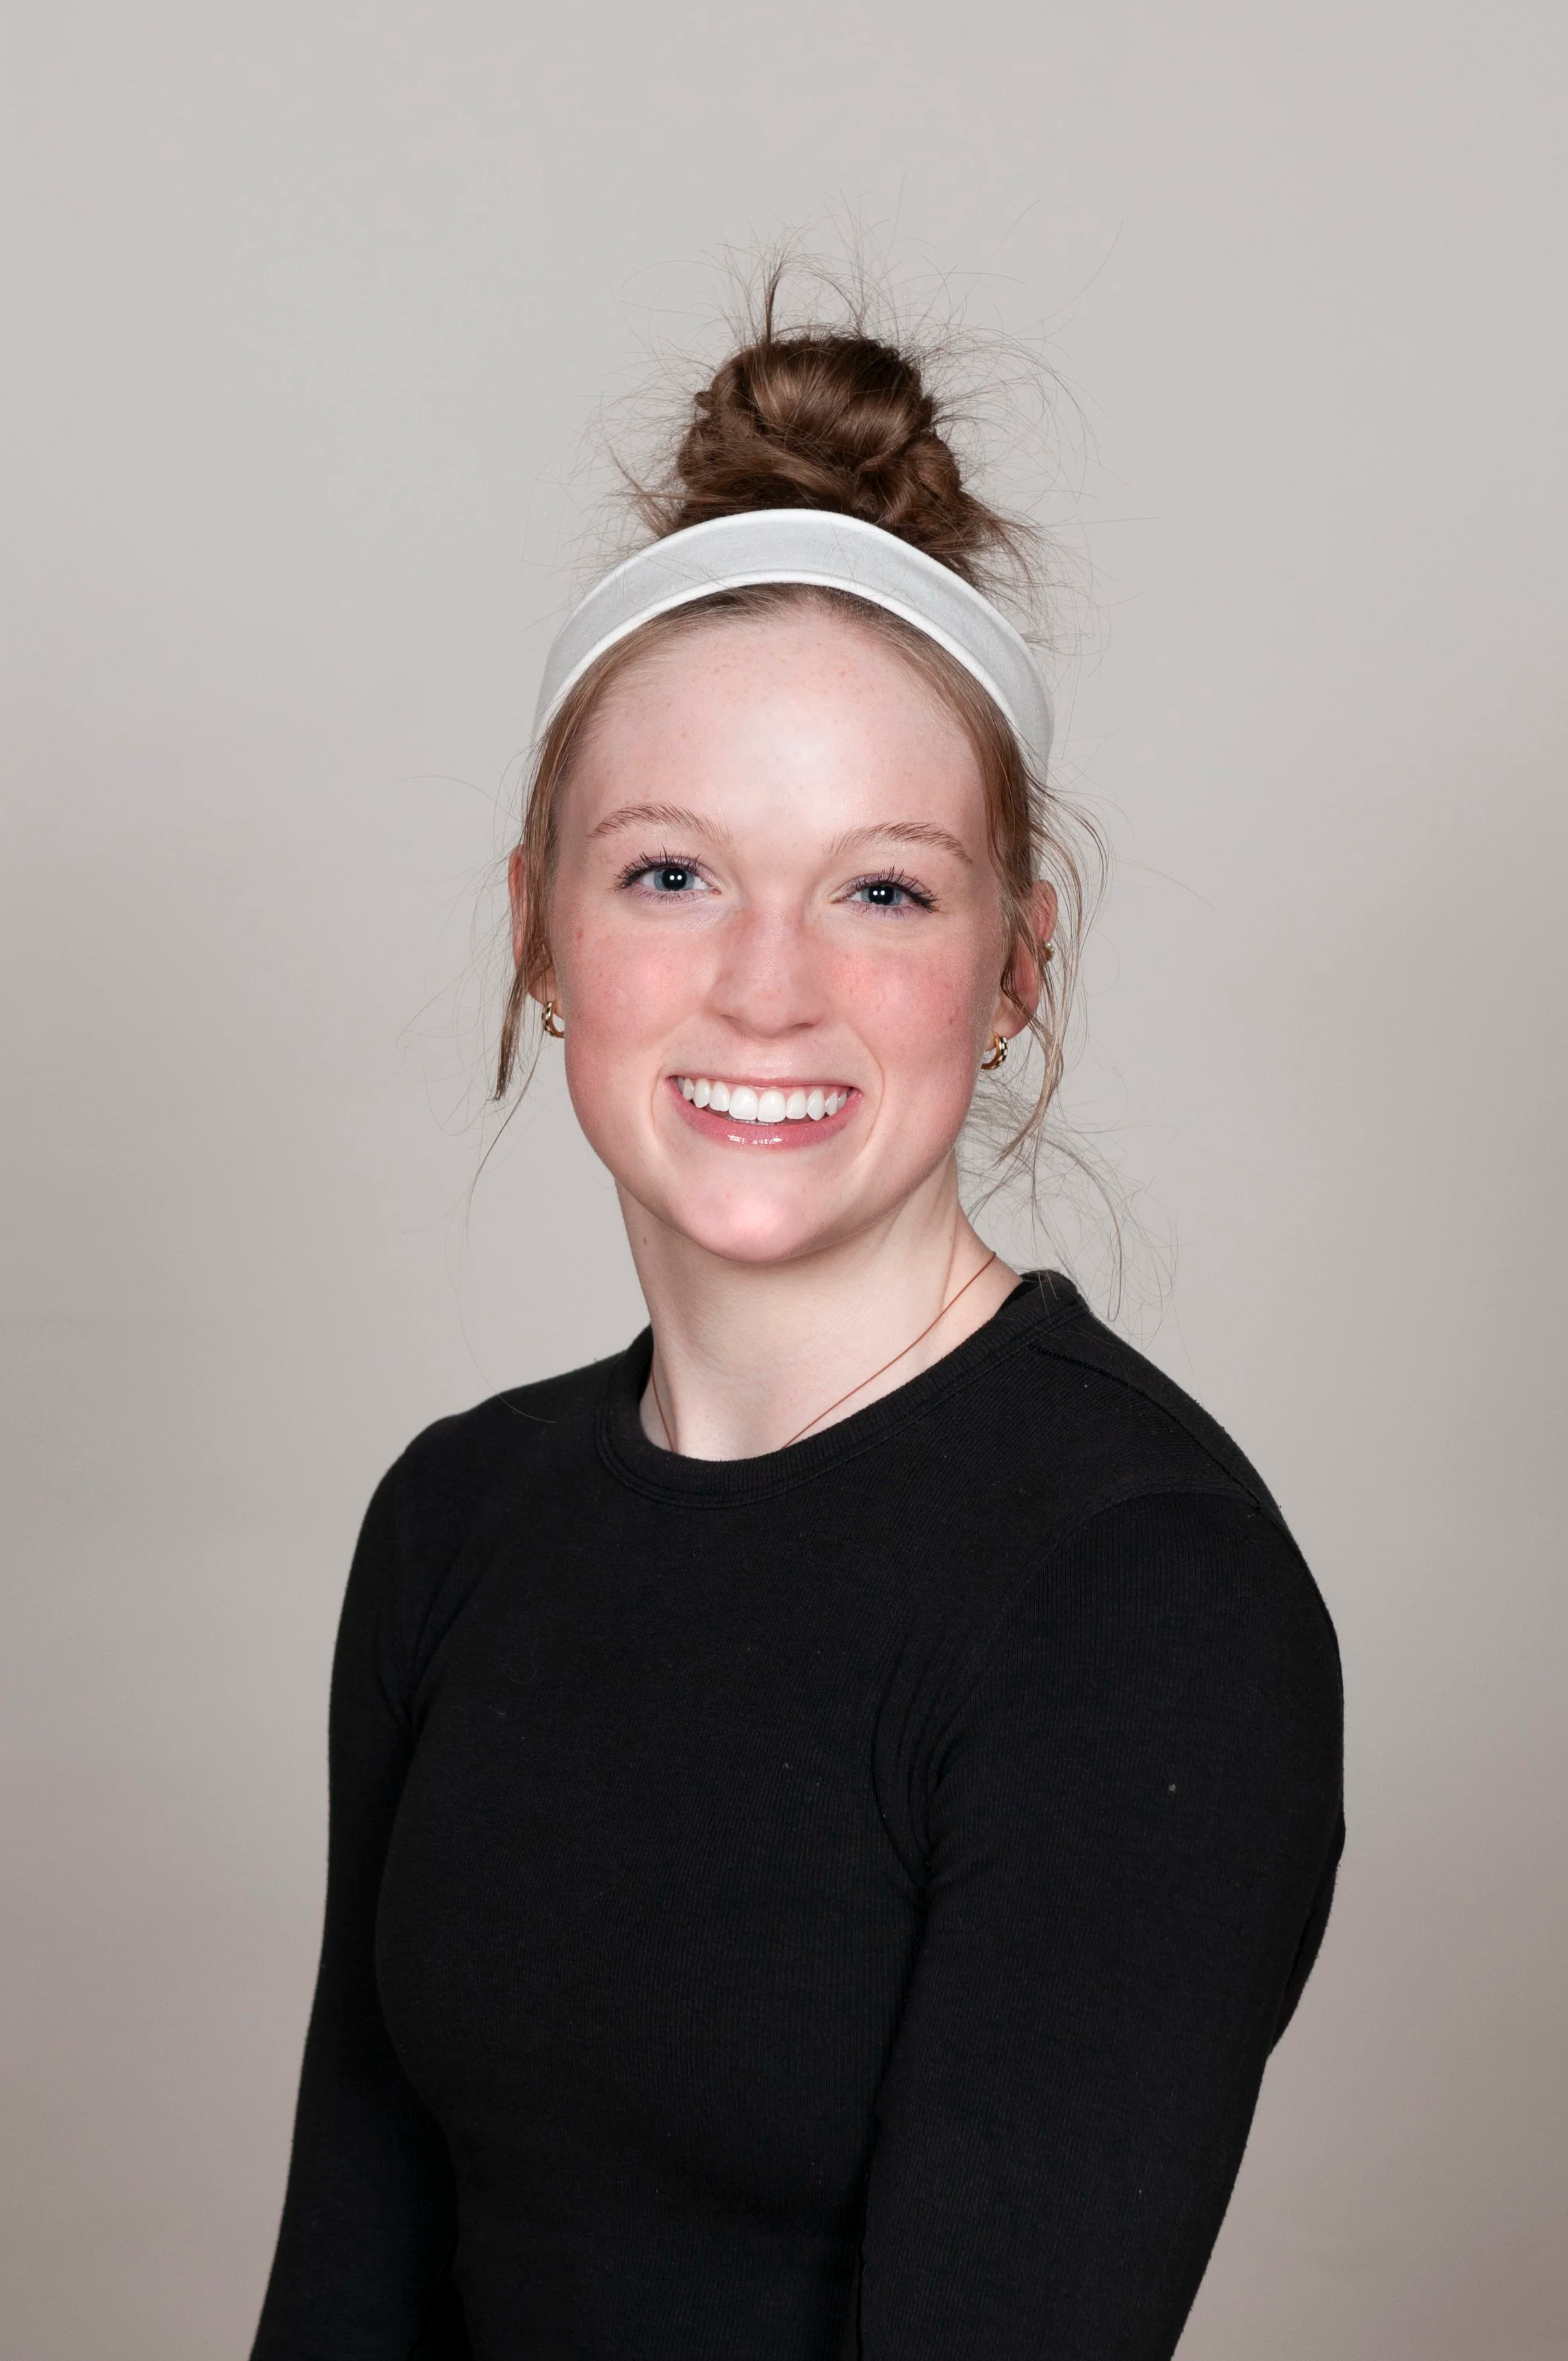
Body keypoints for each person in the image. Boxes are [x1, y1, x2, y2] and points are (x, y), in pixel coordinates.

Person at [251, 304, 1344, 2361]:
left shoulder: (1139, 1594)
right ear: (537, 927)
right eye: (671, 873)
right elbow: (345, 2285)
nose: (766, 987)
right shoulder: (456, 1520)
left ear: (1017, 966)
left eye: (883, 892)